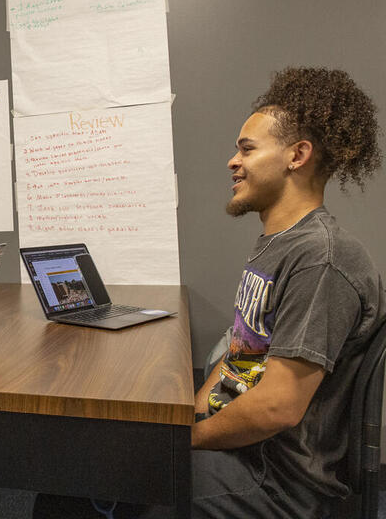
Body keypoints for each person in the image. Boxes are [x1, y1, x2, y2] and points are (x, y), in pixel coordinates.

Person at [33, 66, 384, 518]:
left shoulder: (321, 258)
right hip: (248, 453)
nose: (232, 161)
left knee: (84, 484)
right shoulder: (281, 244)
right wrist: (191, 415)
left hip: (275, 483)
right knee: (79, 474)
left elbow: (278, 406)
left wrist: (188, 440)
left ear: (297, 155)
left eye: (247, 149)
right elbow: (242, 352)